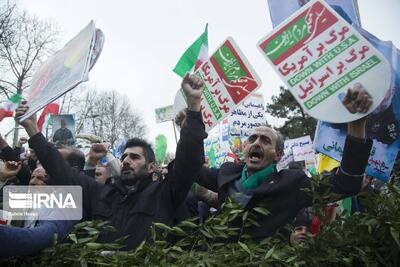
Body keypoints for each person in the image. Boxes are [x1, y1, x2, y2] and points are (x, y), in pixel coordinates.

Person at [14, 73, 206, 250]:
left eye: (135, 157)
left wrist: (194, 106)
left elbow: (188, 160)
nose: (126, 161)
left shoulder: (166, 193)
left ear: (150, 167)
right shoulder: (101, 193)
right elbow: (61, 170)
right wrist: (32, 129)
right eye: (124, 157)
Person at [191, 84, 373, 240]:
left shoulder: (292, 183)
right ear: (244, 148)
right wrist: (192, 115)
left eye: (265, 140)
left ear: (278, 155)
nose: (256, 143)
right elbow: (191, 167)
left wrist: (357, 126)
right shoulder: (227, 173)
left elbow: (346, 184)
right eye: (253, 139)